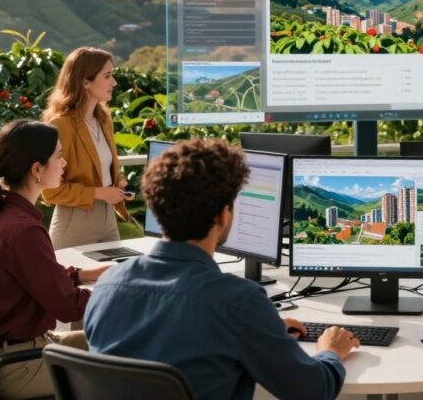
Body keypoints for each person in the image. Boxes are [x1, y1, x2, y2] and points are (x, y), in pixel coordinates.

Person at [84, 139, 358, 400]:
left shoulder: (108, 286)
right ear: (223, 215)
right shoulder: (238, 303)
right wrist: (331, 351)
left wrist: (264, 330)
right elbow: (314, 390)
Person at [0, 119, 111, 399]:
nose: (64, 163)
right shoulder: (23, 230)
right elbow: (68, 307)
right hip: (19, 366)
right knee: (126, 369)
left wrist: (82, 275)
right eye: (58, 155)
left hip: (6, 352)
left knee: (117, 343)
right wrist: (123, 293)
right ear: (37, 170)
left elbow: (35, 275)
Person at [41, 47, 132, 249]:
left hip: (108, 219)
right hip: (74, 224)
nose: (114, 82)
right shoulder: (60, 125)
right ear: (85, 82)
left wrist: (118, 185)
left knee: (112, 278)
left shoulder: (104, 119)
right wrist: (99, 193)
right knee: (73, 281)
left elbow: (100, 170)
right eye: (108, 76)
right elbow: (50, 191)